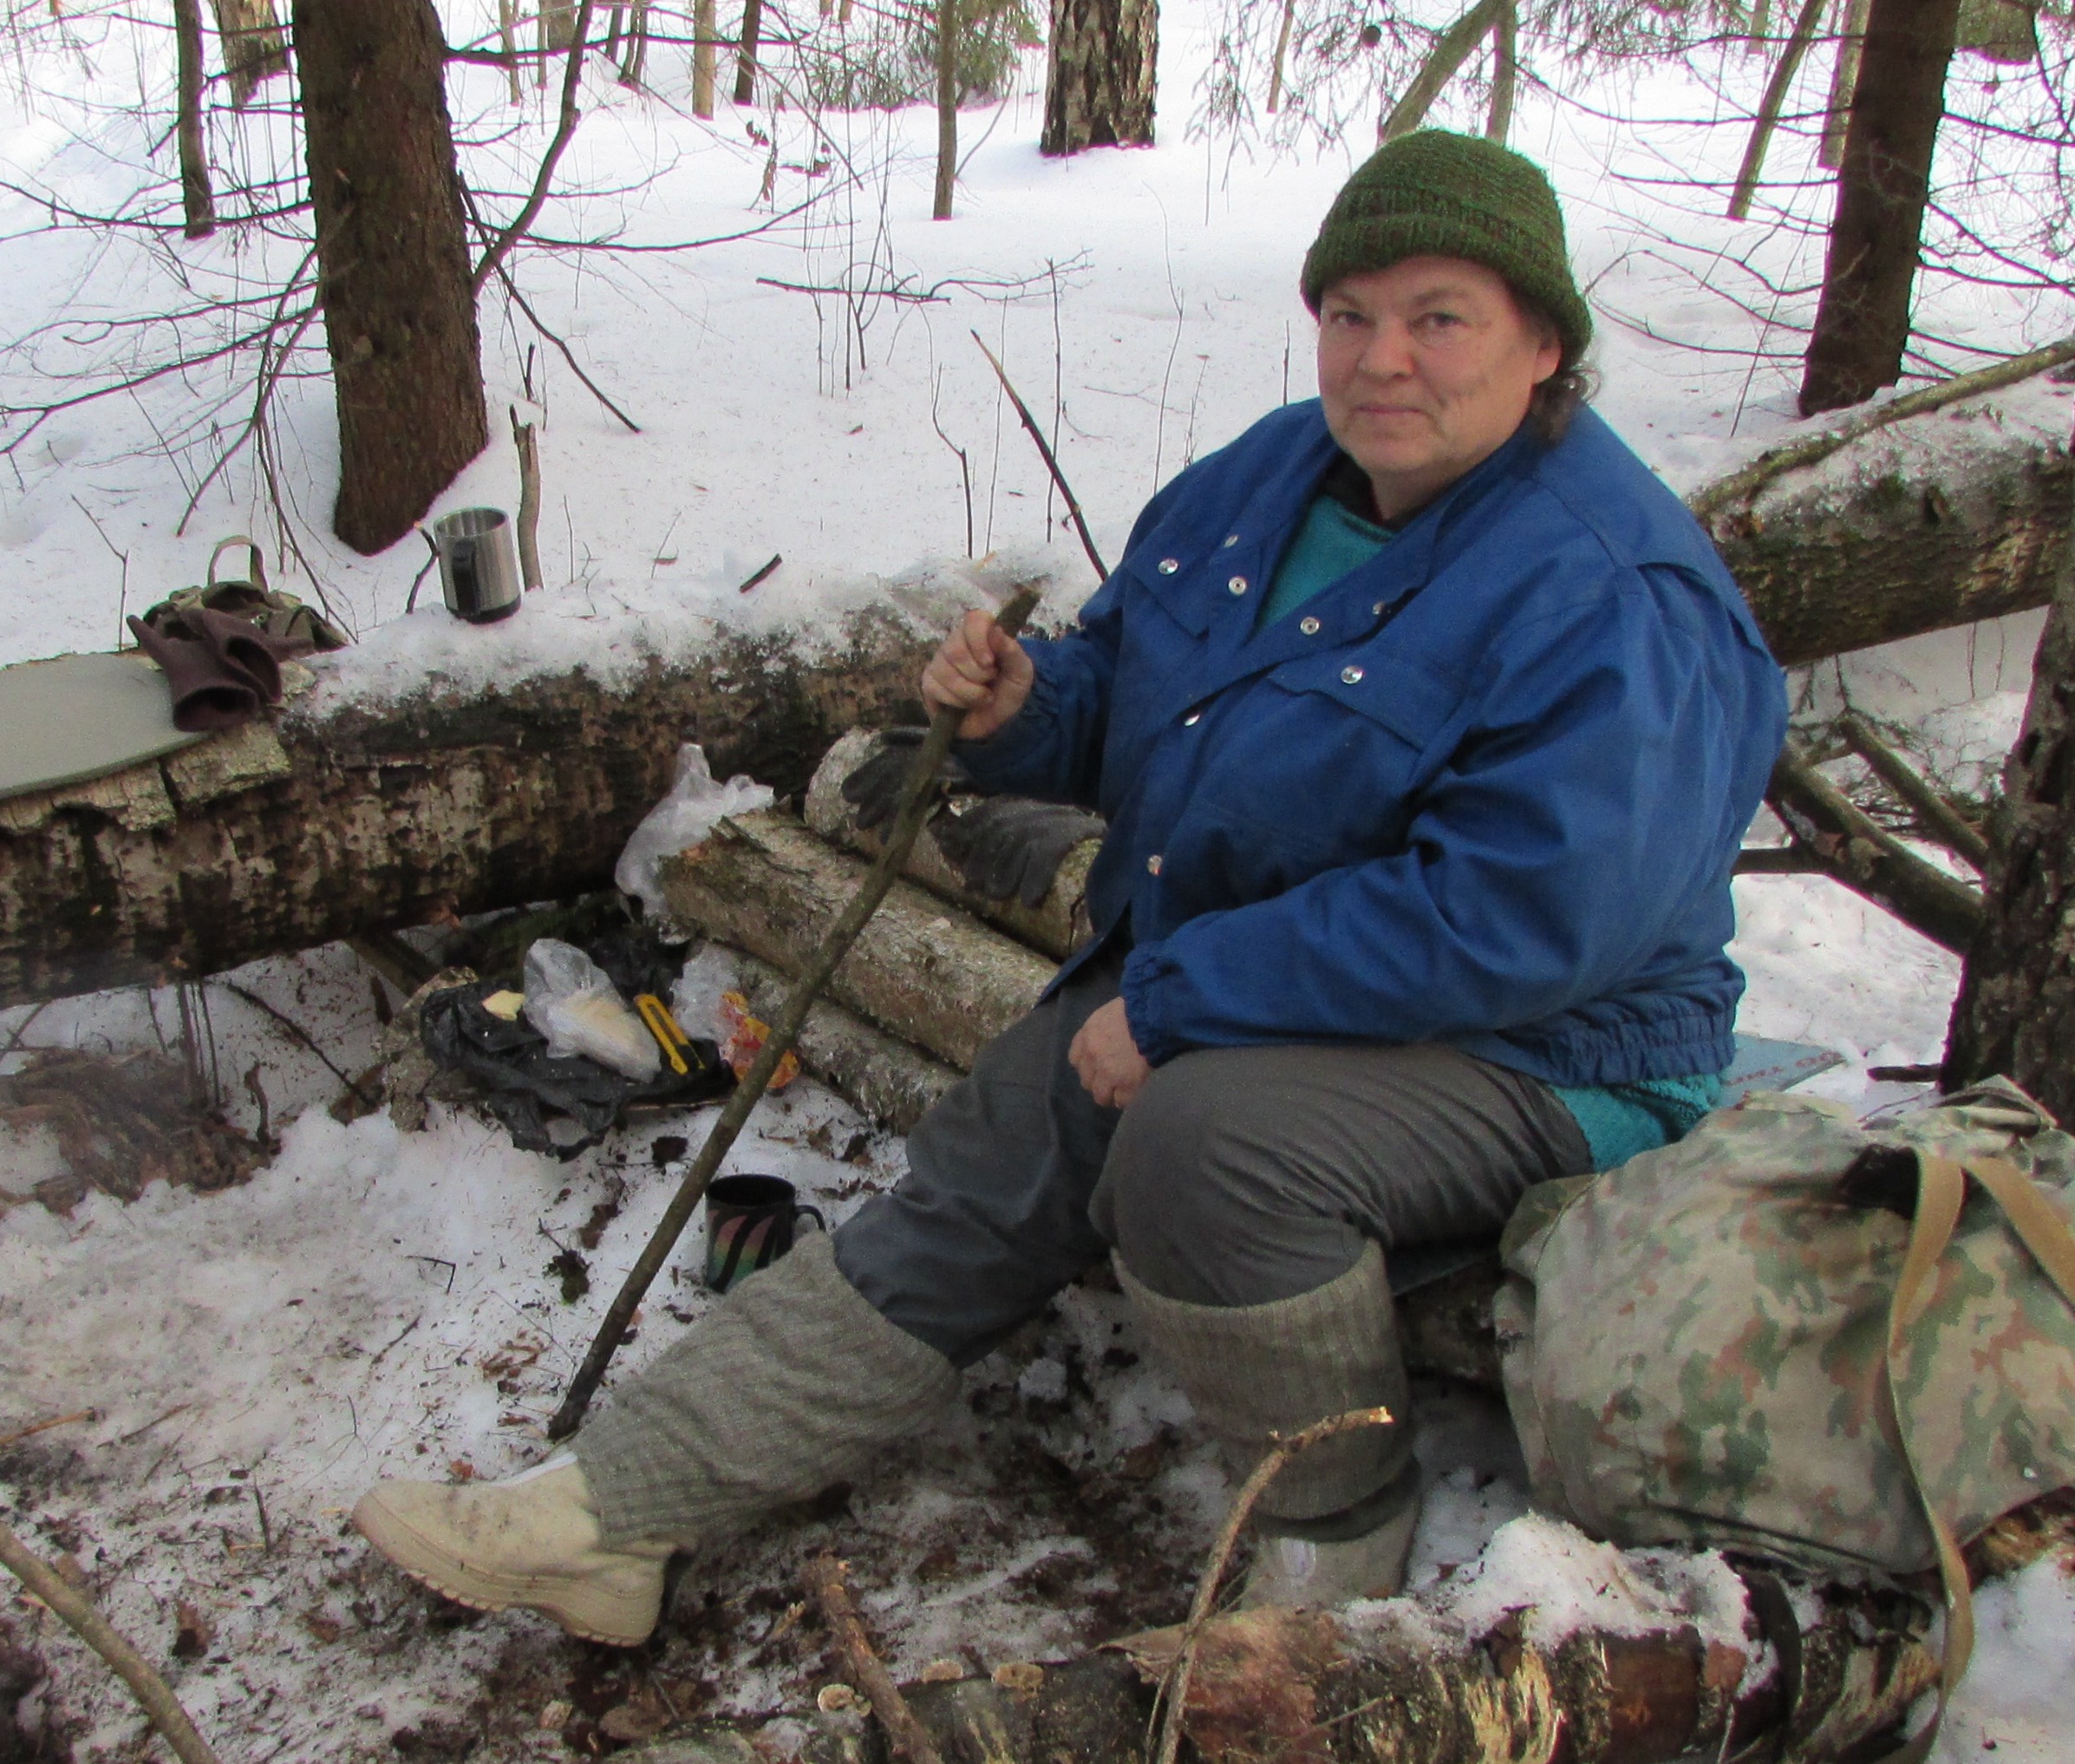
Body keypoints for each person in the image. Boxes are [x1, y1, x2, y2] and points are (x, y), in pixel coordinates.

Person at [350, 130, 1791, 1646]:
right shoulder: (1272, 478)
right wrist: (1027, 707)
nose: (1381, 358)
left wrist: (1179, 1002)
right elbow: (1136, 692)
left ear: (1543, 344)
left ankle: (1330, 1530)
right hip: (1281, 978)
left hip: (1547, 1046)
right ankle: (621, 1505)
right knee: (1006, 1134)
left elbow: (1518, 918)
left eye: (1441, 317)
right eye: (1349, 313)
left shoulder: (1614, 591)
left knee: (1206, 1146)